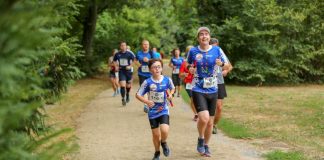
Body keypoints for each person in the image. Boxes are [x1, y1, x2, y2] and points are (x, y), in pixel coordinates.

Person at [187, 27, 229, 157]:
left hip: (213, 89)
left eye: (206, 34)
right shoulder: (193, 51)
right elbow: (188, 64)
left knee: (210, 122)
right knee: (204, 118)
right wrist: (190, 69)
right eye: (201, 34)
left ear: (209, 37)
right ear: (198, 38)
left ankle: (206, 145)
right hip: (198, 88)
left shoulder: (217, 50)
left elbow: (227, 65)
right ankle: (200, 138)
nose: (204, 36)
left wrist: (221, 64)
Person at [135, 59, 175, 160]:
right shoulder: (147, 82)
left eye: (158, 67)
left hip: (164, 109)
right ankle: (157, 152)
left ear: (161, 68)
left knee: (164, 130)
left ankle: (164, 142)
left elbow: (172, 88)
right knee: (156, 135)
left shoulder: (167, 79)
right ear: (150, 70)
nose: (156, 69)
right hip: (152, 112)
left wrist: (170, 94)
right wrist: (147, 101)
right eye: (154, 67)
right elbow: (138, 95)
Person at [210, 38, 233, 134]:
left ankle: (214, 125)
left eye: (217, 46)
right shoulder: (206, 53)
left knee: (219, 107)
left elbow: (230, 66)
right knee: (209, 106)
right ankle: (208, 124)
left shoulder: (220, 52)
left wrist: (226, 70)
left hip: (219, 81)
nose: (216, 48)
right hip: (208, 81)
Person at [135, 40, 160, 113]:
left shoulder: (152, 53)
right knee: (144, 89)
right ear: (142, 45)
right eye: (144, 44)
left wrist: (149, 60)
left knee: (151, 90)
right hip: (142, 73)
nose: (145, 46)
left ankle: (150, 104)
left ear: (149, 45)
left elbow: (156, 61)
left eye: (147, 44)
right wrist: (138, 64)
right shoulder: (139, 53)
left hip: (151, 74)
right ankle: (146, 105)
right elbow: (135, 60)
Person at [179, 45, 198, 121]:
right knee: (193, 99)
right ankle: (196, 114)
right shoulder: (184, 63)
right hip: (189, 83)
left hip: (198, 83)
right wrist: (184, 74)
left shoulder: (198, 61)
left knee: (199, 99)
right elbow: (180, 75)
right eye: (190, 51)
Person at [113, 41, 135, 106]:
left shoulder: (129, 53)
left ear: (126, 46)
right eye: (122, 45)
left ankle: (127, 93)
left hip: (128, 71)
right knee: (122, 85)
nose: (123, 46)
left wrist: (130, 66)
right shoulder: (117, 54)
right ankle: (123, 98)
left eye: (124, 45)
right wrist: (116, 66)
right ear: (120, 47)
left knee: (128, 85)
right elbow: (114, 61)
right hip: (121, 71)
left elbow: (134, 61)